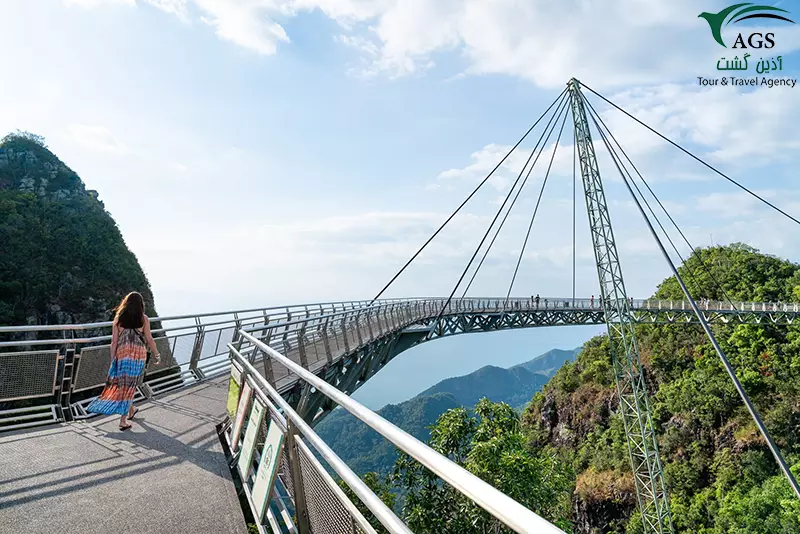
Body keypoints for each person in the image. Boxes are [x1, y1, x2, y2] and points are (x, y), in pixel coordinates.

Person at [87, 292, 160, 430]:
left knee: (125, 384)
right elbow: (149, 339)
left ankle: (131, 410)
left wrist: (113, 359)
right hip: (138, 356)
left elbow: (114, 342)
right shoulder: (144, 319)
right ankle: (123, 421)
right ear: (140, 305)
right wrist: (157, 354)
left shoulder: (118, 319)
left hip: (122, 355)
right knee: (130, 385)